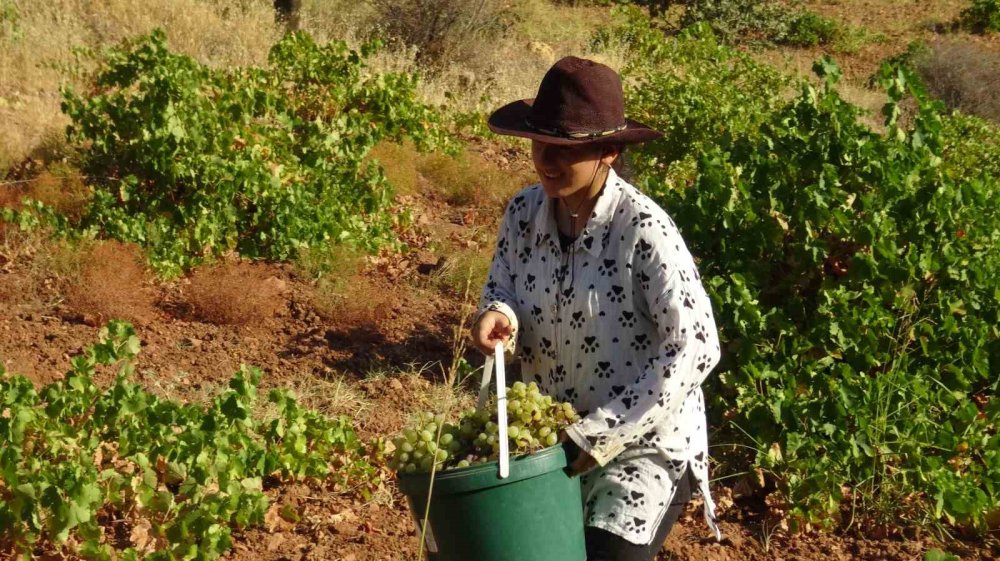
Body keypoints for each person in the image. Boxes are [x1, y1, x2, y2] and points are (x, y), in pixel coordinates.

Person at [471, 56, 723, 561]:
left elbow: (695, 347)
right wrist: (499, 313)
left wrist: (599, 434)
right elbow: (503, 285)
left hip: (641, 445)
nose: (547, 160)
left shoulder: (643, 231)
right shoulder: (523, 213)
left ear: (608, 152)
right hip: (549, 442)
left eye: (566, 149)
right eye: (541, 144)